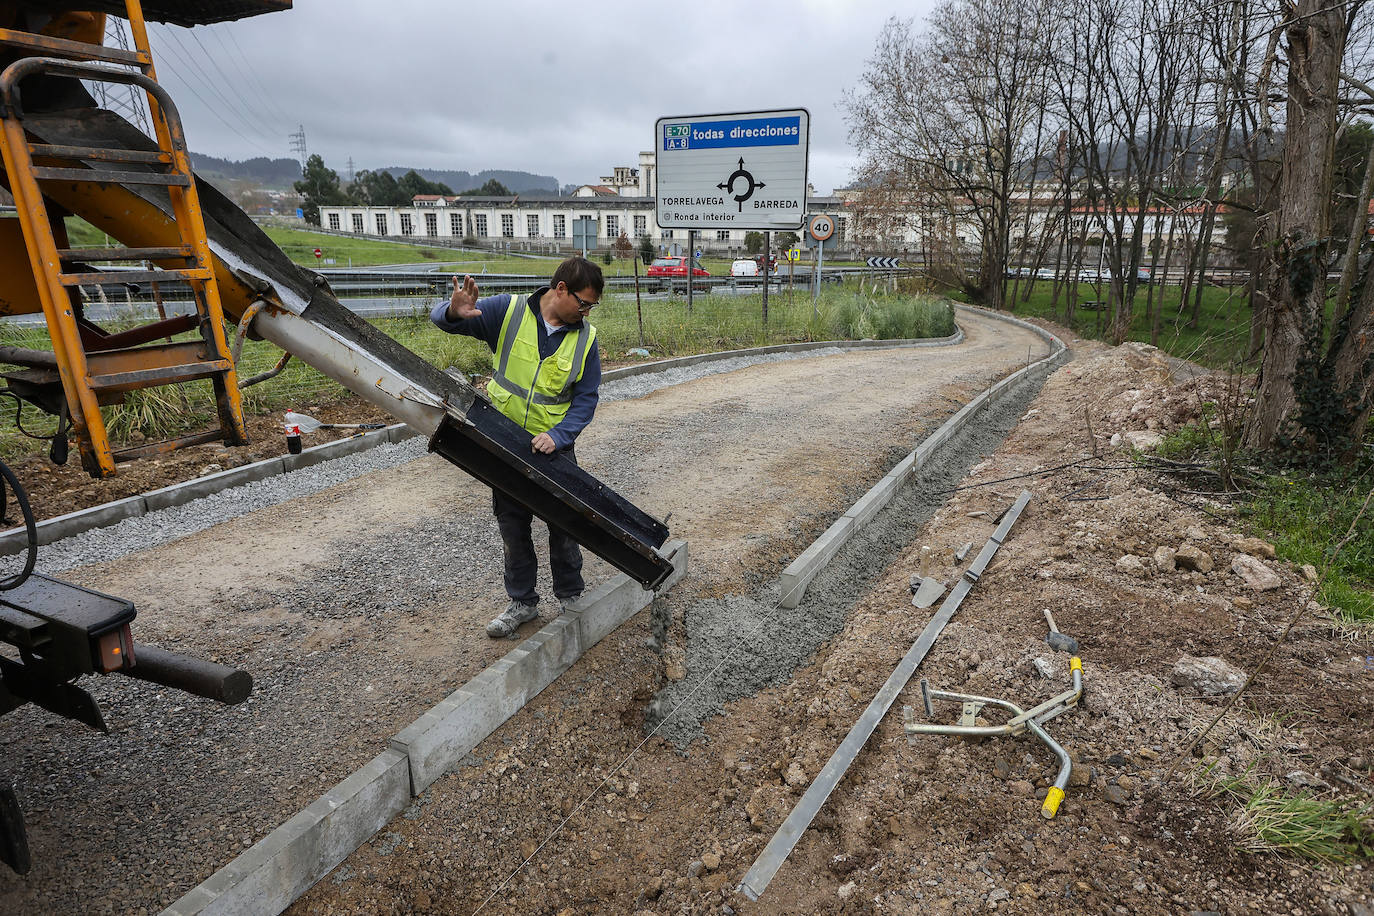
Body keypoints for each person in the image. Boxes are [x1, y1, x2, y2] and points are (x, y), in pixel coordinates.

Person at [431, 257, 603, 638]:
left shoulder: (585, 339)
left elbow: (586, 398)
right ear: (561, 290)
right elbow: (443, 319)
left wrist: (559, 436)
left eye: (591, 306)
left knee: (564, 524)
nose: (587, 311)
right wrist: (453, 312)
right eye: (584, 303)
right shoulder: (508, 311)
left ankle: (571, 598)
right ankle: (522, 602)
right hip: (504, 442)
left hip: (553, 450)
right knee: (512, 525)